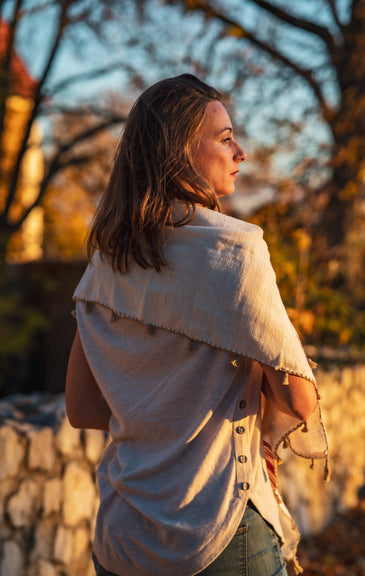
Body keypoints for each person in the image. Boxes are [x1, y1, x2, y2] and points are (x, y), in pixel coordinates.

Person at [66, 74, 329, 576]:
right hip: (218, 534)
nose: (241, 152)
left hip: (123, 538)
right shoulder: (237, 251)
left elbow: (80, 408)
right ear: (179, 150)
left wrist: (162, 424)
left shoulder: (108, 257)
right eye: (226, 138)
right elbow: (299, 401)